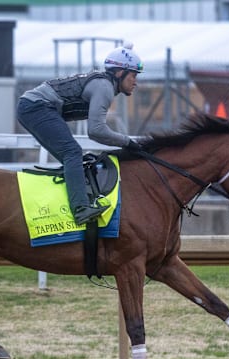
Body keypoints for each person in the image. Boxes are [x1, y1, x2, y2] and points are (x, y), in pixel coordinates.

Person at [17, 42, 143, 226]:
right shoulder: (104, 87)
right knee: (72, 152)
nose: (135, 81)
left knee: (75, 158)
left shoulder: (104, 85)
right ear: (119, 72)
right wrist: (127, 142)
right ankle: (81, 209)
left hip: (33, 106)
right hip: (36, 107)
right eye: (133, 75)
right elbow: (96, 131)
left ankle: (77, 202)